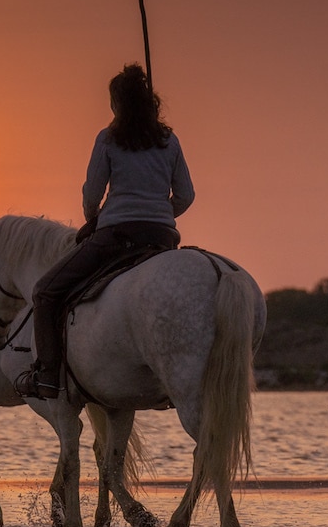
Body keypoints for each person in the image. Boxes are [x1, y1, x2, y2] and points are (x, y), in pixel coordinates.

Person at [15, 64, 194, 399]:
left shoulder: (108, 138)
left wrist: (93, 217)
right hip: (161, 238)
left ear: (118, 105)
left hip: (115, 236)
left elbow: (92, 193)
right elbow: (186, 195)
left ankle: (48, 377)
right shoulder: (170, 141)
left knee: (45, 292)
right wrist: (159, 214)